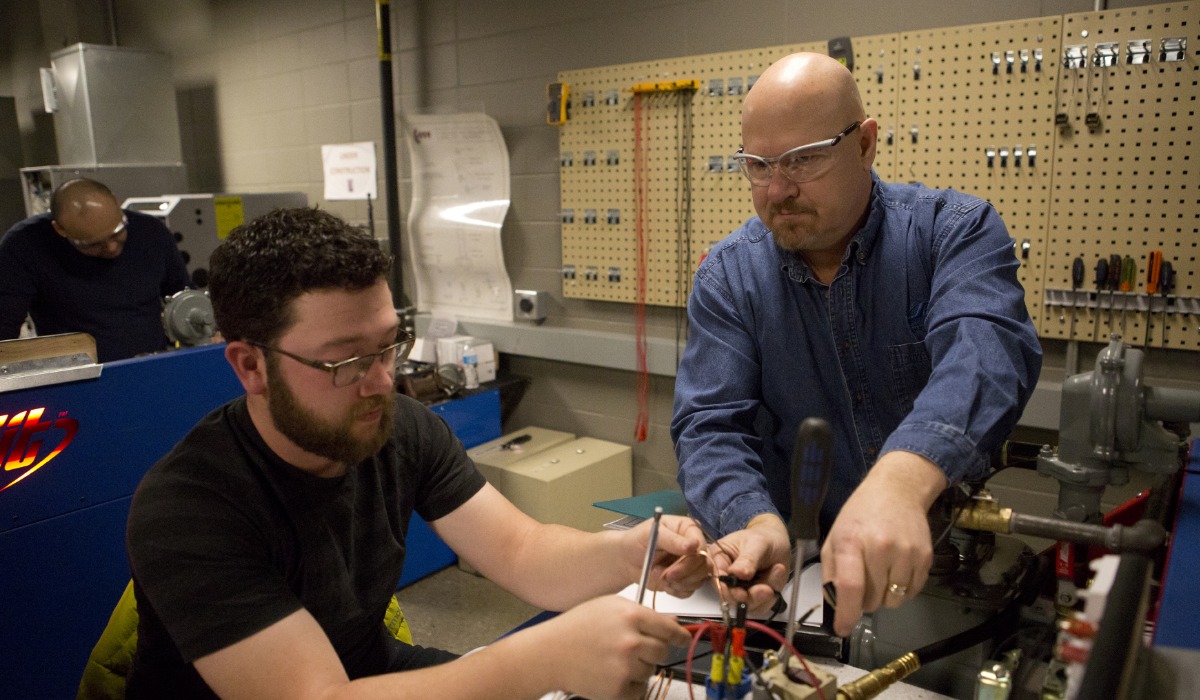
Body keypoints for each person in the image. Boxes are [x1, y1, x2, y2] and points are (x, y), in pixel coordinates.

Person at [125, 207, 708, 699]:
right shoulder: (188, 509)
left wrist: (631, 555)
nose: (381, 381)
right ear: (251, 366)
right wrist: (538, 661)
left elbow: (520, 550)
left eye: (388, 347)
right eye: (345, 361)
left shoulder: (396, 427)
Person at [671, 53, 1042, 638]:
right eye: (758, 165)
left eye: (803, 160)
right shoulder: (728, 276)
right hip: (796, 568)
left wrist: (899, 484)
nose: (778, 189)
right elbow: (710, 424)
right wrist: (754, 520)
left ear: (866, 144)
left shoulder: (953, 232)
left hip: (938, 558)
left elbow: (988, 353)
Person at [0, 178, 190, 362]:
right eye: (93, 244)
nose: (111, 248)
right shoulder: (25, 247)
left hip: (151, 366)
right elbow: (4, 330)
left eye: (117, 232)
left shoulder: (151, 232)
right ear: (60, 229)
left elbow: (183, 296)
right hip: (76, 379)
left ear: (116, 203)